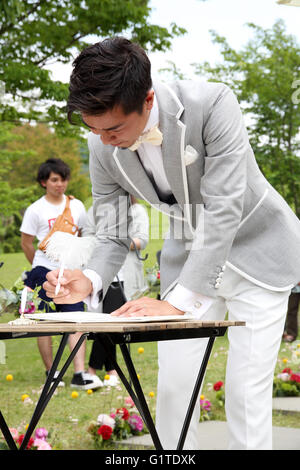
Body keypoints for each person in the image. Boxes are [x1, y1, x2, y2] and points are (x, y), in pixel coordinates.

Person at [43, 38, 300, 450]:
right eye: (92, 128)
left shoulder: (214, 102)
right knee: (174, 386)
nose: (103, 140)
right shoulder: (101, 145)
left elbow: (223, 208)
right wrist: (89, 279)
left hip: (259, 254)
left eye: (112, 128)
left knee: (244, 391)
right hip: (187, 260)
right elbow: (112, 229)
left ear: (147, 100)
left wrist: (179, 303)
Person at [20, 158, 102, 390]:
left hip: (70, 273)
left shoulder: (75, 206)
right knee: (44, 321)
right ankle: (51, 371)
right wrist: (39, 268)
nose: (60, 184)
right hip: (42, 271)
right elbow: (26, 243)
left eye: (64, 179)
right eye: (55, 180)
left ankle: (79, 373)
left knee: (76, 318)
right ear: (44, 182)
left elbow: (83, 235)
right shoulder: (35, 209)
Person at [83, 197, 149, 385]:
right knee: (106, 325)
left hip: (123, 278)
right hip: (99, 276)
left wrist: (115, 244)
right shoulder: (94, 211)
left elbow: (141, 241)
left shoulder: (137, 211)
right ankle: (110, 371)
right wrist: (105, 243)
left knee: (110, 325)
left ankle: (96, 370)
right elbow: (88, 236)